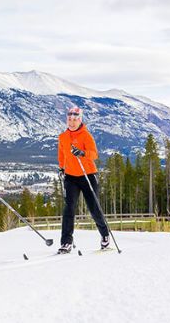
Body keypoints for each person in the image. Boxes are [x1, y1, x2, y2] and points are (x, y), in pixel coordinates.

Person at [57, 106, 109, 253]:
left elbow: (94, 154)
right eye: (69, 119)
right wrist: (61, 168)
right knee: (69, 209)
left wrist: (82, 153)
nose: (72, 122)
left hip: (88, 175)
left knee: (93, 207)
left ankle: (105, 234)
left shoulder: (86, 135)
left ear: (80, 120)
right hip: (71, 177)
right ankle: (66, 242)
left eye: (75, 119)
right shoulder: (63, 137)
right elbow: (62, 155)